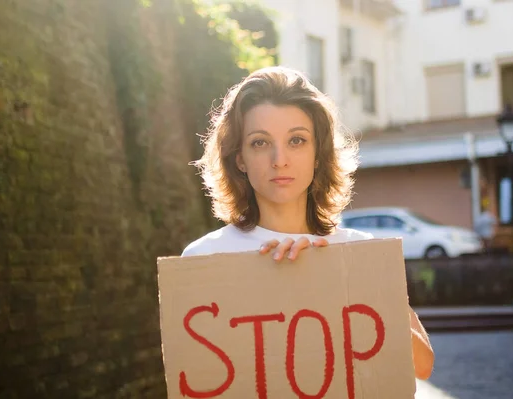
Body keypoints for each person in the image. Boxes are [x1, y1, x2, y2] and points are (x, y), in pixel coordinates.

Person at [181, 66, 434, 380]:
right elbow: (198, 380)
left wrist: (329, 280)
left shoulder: (361, 250)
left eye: (297, 140)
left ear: (318, 154)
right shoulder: (204, 259)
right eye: (260, 143)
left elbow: (421, 366)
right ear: (240, 158)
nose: (279, 159)